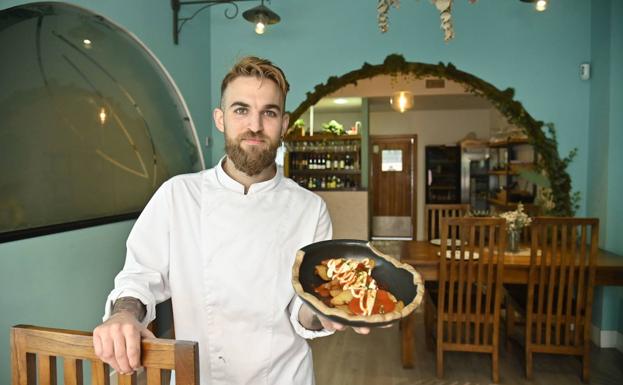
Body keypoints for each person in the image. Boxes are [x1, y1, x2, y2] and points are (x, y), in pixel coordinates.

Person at [92, 56, 369, 385]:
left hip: (283, 378)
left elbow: (302, 308)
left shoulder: (309, 208)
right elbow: (139, 279)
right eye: (241, 110)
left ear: (284, 123)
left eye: (269, 112)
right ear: (220, 119)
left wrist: (323, 313)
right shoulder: (179, 195)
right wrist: (123, 314)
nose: (255, 125)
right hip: (201, 377)